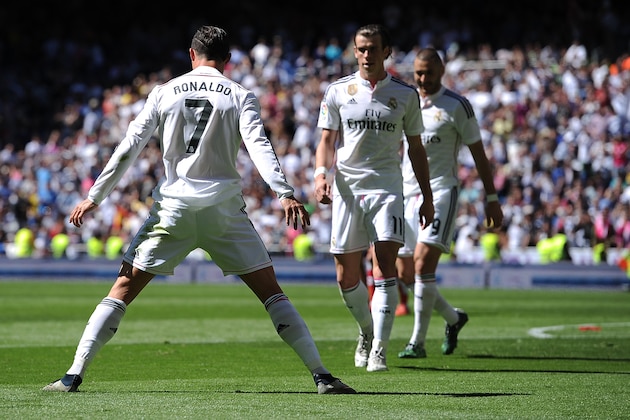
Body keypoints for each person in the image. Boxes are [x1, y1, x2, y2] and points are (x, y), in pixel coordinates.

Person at [42, 25, 355, 395]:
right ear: (228, 60)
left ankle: (72, 376)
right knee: (272, 293)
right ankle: (321, 375)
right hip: (223, 211)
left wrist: (95, 196)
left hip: (173, 208)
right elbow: (259, 147)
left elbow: (129, 147)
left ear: (191, 55)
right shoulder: (240, 94)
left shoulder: (163, 92)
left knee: (122, 288)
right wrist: (284, 193)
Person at [314, 24, 434, 372]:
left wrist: (426, 196)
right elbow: (326, 141)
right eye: (361, 49)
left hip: (386, 189)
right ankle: (366, 332)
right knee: (344, 276)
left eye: (373, 48)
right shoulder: (338, 91)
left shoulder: (406, 95)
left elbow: (416, 149)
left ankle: (379, 348)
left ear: (387, 52)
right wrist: (321, 176)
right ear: (355, 51)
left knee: (384, 266)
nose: (367, 55)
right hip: (347, 190)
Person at [393, 47, 504, 359]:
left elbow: (479, 154)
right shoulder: (406, 102)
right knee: (404, 272)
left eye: (428, 72)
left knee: (423, 263)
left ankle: (417, 342)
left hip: (442, 192)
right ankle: (454, 319)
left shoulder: (458, 106)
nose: (423, 78)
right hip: (406, 194)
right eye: (418, 73)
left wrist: (491, 198)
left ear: (441, 71)